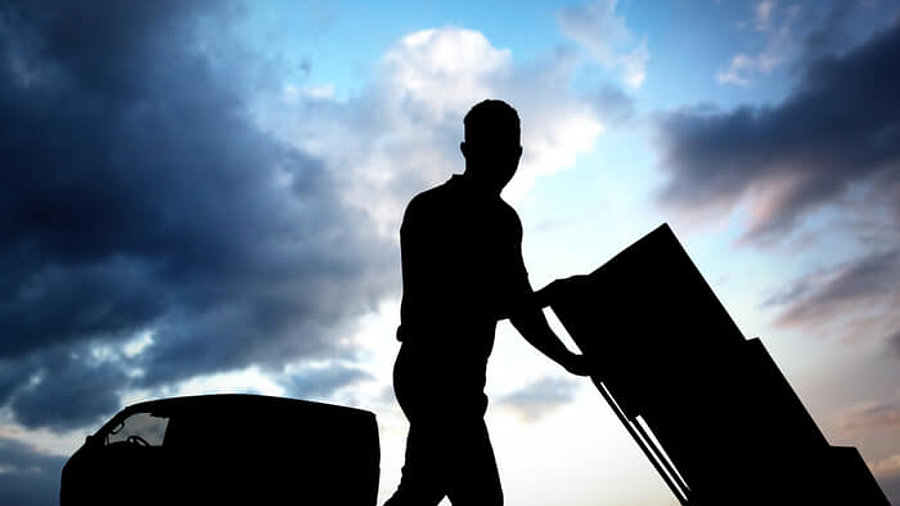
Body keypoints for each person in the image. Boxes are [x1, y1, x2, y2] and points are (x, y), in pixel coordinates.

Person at [384, 99, 590, 506]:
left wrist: (567, 357)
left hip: (452, 382)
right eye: (491, 146)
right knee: (470, 499)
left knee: (423, 491)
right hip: (434, 376)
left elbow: (517, 307)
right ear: (467, 151)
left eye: (507, 149)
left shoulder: (496, 219)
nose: (503, 158)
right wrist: (551, 299)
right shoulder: (438, 210)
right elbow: (466, 306)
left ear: (517, 156)